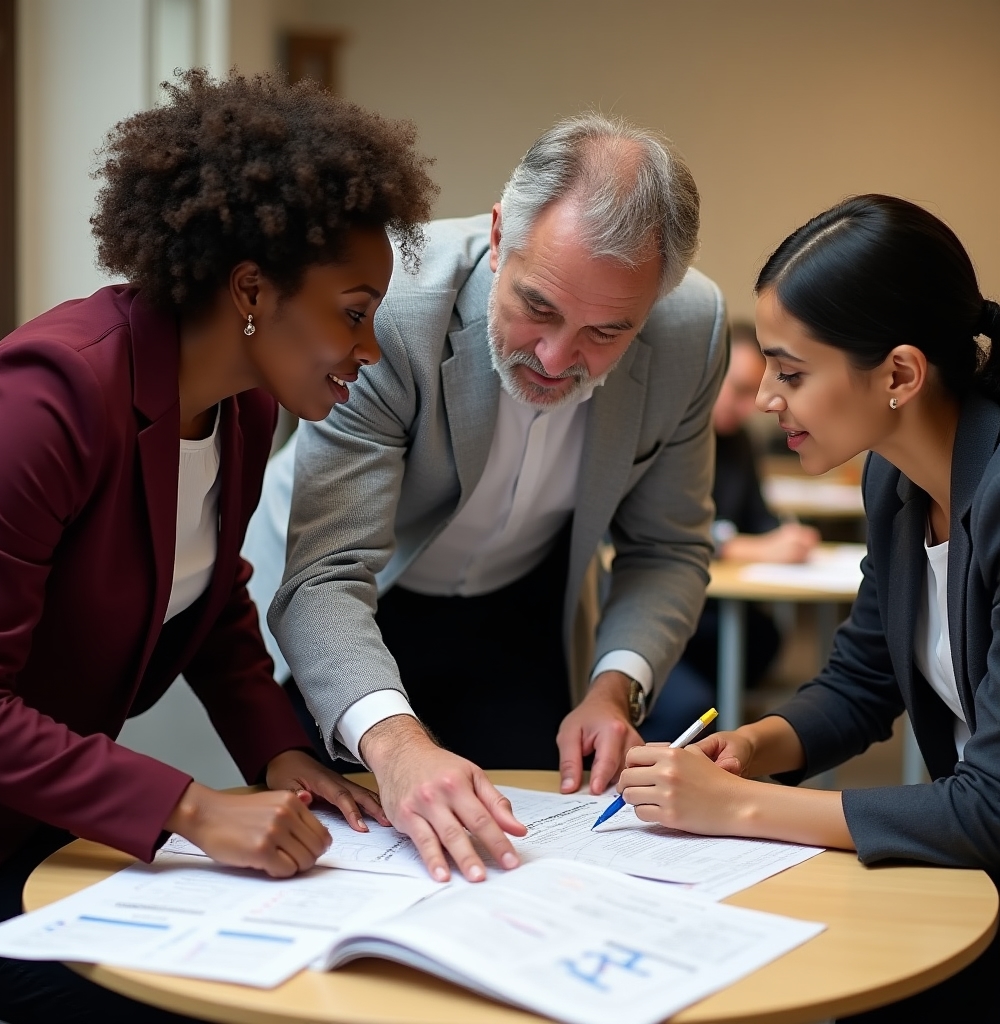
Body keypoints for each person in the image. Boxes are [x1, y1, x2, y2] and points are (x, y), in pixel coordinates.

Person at [0, 70, 437, 1023]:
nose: (372, 351)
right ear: (251, 290)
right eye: (354, 313)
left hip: (51, 825)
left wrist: (278, 753)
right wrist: (190, 806)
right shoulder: (47, 398)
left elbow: (215, 601)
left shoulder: (243, 406)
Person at [261, 113, 727, 885]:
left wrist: (613, 691)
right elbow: (326, 573)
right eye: (538, 308)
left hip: (519, 610)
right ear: (501, 232)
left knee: (521, 861)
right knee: (339, 869)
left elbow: (667, 547)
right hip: (350, 602)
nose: (555, 358)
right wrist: (398, 744)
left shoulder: (691, 331)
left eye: (605, 333)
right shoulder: (393, 309)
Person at [616, 194, 1000, 1018]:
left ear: (899, 373)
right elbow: (863, 681)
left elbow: (990, 807)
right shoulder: (894, 478)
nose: (764, 398)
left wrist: (741, 808)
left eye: (791, 373)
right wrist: (754, 747)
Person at [641, 321, 819, 740]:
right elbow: (663, 534)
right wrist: (751, 548)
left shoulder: (738, 442)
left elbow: (761, 519)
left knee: (764, 639)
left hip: (714, 609)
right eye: (738, 390)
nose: (749, 406)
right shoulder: (668, 435)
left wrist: (787, 536)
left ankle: (730, 727)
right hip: (662, 607)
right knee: (694, 702)